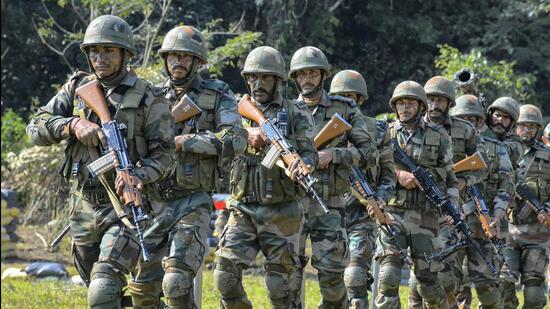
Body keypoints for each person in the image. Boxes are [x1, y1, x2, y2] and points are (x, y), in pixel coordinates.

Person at [26, 15, 175, 309]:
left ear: (125, 54)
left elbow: (166, 154)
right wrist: (70, 125)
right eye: (94, 51)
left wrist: (139, 175)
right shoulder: (76, 89)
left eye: (108, 50)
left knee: (102, 290)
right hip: (83, 208)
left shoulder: (148, 97)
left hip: (125, 208)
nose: (100, 57)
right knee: (105, 292)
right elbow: (36, 127)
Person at [128, 25, 248, 308]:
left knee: (176, 283)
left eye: (185, 56)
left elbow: (236, 139)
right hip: (153, 202)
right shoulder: (151, 96)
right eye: (173, 56)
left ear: (197, 61)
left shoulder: (218, 94)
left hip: (193, 201)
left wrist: (184, 141)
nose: (178, 62)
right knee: (143, 291)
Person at [213, 46, 318, 308]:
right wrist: (245, 136)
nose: (257, 84)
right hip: (242, 209)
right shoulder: (232, 110)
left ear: (279, 80)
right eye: (253, 78)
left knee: (281, 290)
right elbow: (216, 142)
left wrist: (301, 165)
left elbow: (310, 153)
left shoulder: (296, 112)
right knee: (224, 275)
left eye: (265, 78)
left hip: (283, 211)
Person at [289, 47, 378, 308]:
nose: (308, 79)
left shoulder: (345, 109)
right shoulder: (285, 110)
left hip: (329, 204)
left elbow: (368, 153)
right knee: (286, 279)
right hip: (289, 204)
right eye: (302, 74)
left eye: (313, 73)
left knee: (332, 279)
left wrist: (333, 154)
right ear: (295, 77)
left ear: (322, 76)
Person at [376, 80, 458, 309]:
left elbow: (451, 178)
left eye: (410, 103)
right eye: (400, 103)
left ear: (421, 106)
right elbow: (371, 167)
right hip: (393, 213)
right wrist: (398, 174)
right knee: (389, 275)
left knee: (428, 283)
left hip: (426, 217)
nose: (405, 107)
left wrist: (453, 209)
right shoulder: (385, 133)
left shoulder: (440, 136)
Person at [408, 76, 481, 308]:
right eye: (430, 99)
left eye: (440, 100)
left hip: (448, 209)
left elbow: (481, 167)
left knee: (445, 270)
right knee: (417, 271)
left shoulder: (466, 131)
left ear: (449, 103)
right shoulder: (410, 127)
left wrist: (459, 184)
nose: (434, 105)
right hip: (413, 206)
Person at [330, 69, 396, 309]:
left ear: (360, 100)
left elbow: (388, 174)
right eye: (341, 96)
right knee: (330, 280)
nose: (347, 101)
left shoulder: (378, 130)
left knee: (355, 278)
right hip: (325, 212)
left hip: (360, 215)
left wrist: (379, 200)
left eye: (352, 96)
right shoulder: (317, 126)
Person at [449, 95, 514, 309]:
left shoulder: (496, 148)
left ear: (481, 122)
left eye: (474, 119)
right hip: (450, 227)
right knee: (449, 286)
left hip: (485, 228)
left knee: (488, 290)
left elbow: (507, 184)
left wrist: (498, 213)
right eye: (463, 118)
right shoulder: (443, 144)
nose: (469, 124)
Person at [500, 104, 549, 309]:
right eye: (522, 126)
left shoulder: (547, 156)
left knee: (534, 292)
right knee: (503, 283)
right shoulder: (503, 152)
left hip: (538, 235)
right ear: (515, 126)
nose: (526, 131)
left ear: (538, 129)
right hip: (509, 233)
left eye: (531, 126)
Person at [481, 97, 525, 165]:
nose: (500, 120)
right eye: (497, 115)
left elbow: (504, 152)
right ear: (490, 116)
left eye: (506, 117)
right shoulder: (479, 131)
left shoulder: (516, 142)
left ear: (512, 123)